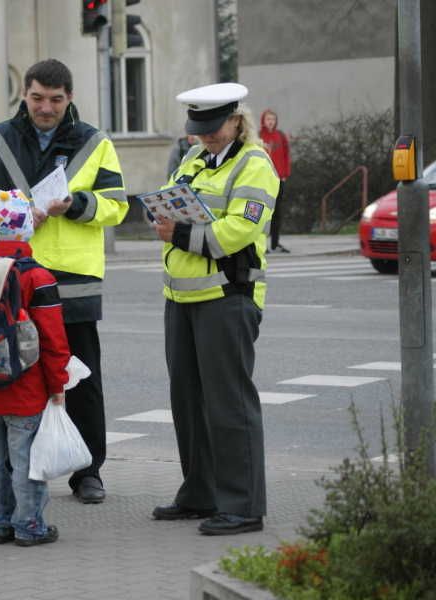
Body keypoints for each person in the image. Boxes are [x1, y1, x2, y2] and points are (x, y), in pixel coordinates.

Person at [0, 59, 129, 504]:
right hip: (9, 278)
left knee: (80, 378)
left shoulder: (95, 142)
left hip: (72, 280)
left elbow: (116, 205)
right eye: (37, 98)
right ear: (25, 96)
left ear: (69, 97)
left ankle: (88, 472)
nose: (45, 108)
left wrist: (75, 204)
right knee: (14, 375)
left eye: (54, 99)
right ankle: (21, 470)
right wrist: (8, 210)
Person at [150, 83, 278, 535]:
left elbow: (239, 231)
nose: (205, 137)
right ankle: (200, 493)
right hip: (181, 296)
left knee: (230, 405)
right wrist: (162, 218)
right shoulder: (193, 160)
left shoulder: (255, 164)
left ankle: (243, 506)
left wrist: (178, 234)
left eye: (213, 129)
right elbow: (169, 204)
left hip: (228, 296)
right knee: (187, 403)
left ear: (236, 121)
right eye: (198, 130)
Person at [0, 190, 71, 546]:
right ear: (28, 227)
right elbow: (53, 339)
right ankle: (29, 525)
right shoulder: (37, 277)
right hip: (26, 386)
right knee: (27, 459)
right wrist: (58, 383)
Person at [260, 109, 291, 253]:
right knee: (264, 212)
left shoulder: (280, 136)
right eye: (268, 119)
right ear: (263, 120)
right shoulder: (259, 137)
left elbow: (286, 155)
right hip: (264, 179)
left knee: (277, 212)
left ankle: (275, 243)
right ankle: (263, 242)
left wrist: (285, 174)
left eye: (272, 118)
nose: (270, 121)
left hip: (278, 179)